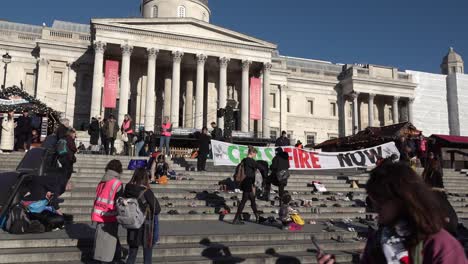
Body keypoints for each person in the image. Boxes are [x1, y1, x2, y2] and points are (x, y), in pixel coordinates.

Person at [317, 162, 467, 264]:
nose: (375, 208)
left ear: (402, 199)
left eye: (381, 200)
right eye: (373, 200)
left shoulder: (439, 244)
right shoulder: (377, 241)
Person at [124, 168, 161, 264]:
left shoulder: (128, 189)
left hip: (132, 224)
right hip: (146, 227)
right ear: (145, 178)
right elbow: (157, 209)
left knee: (132, 253)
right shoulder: (146, 191)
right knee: (147, 255)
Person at [92, 160, 124, 264]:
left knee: (104, 239)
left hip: (99, 213)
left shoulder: (102, 181)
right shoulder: (117, 183)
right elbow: (119, 201)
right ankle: (110, 259)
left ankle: (116, 255)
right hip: (110, 214)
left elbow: (97, 197)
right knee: (110, 239)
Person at [232, 146, 260, 225]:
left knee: (252, 199)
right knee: (244, 201)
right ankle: (236, 219)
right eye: (255, 154)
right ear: (252, 153)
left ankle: (257, 216)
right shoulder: (250, 161)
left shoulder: (244, 160)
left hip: (246, 181)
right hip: (248, 181)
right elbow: (258, 166)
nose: (255, 155)